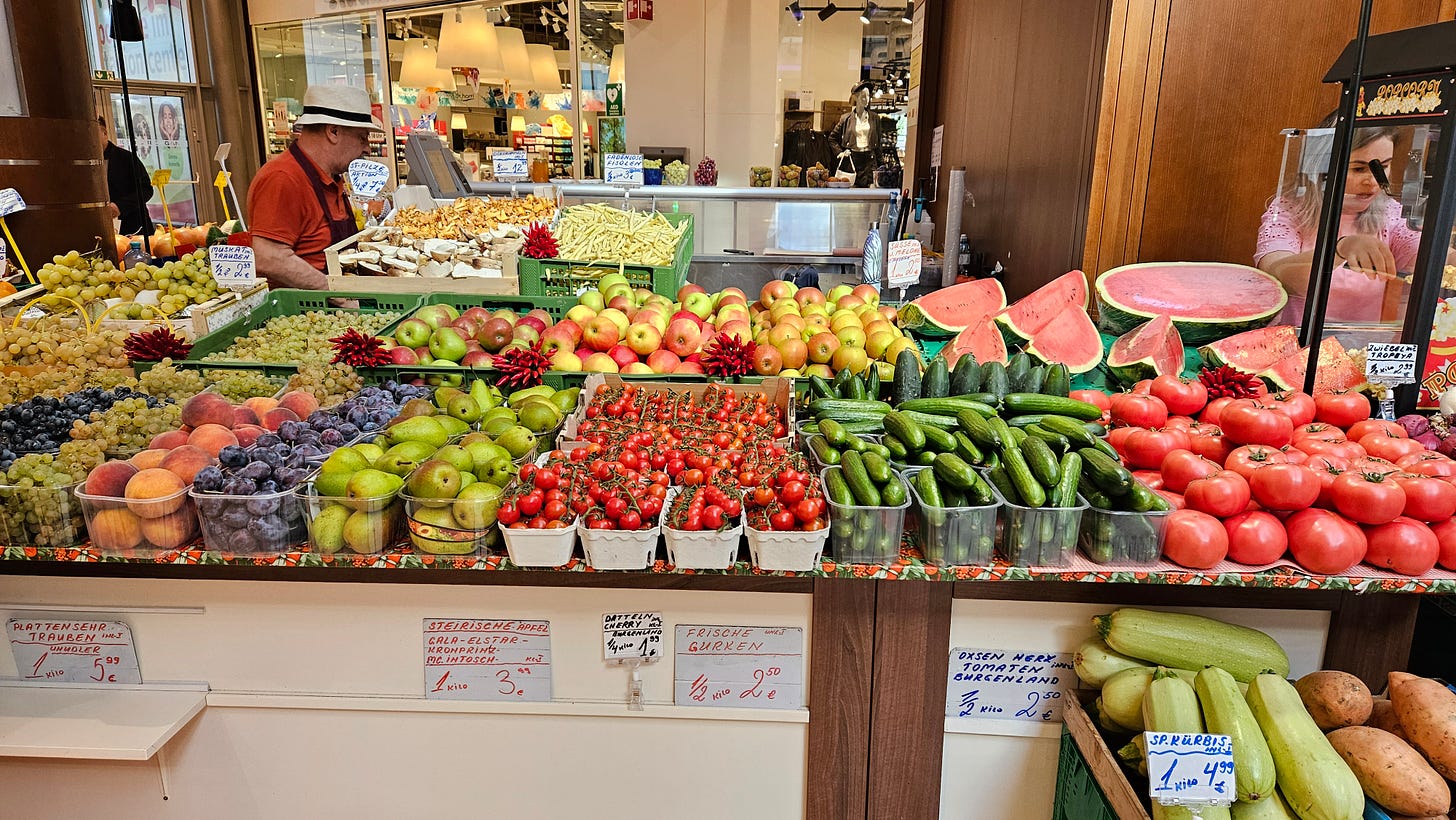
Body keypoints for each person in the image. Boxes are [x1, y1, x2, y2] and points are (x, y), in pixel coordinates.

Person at [1255, 119, 1418, 324]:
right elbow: (1275, 272)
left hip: (1361, 350)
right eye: (1358, 169)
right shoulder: (1289, 210)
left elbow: (1430, 256)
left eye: (1383, 167)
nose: (1373, 181)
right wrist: (1340, 249)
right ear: (1322, 168)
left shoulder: (1390, 213)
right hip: (1296, 344)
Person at [246, 85, 381, 290]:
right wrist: (337, 295)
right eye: (362, 137)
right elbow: (269, 256)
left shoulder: (330, 176)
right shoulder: (283, 178)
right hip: (308, 311)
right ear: (333, 132)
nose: (367, 148)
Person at [98, 115, 154, 235]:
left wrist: (119, 206)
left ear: (105, 133)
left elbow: (146, 190)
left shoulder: (126, 158)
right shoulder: (83, 164)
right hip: (101, 229)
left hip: (134, 228)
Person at [828, 82, 882, 188]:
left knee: (871, 192)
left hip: (870, 161)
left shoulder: (875, 118)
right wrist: (840, 153)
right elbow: (832, 138)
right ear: (856, 98)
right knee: (852, 190)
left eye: (868, 96)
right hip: (853, 159)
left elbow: (878, 143)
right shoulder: (846, 119)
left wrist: (882, 164)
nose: (867, 99)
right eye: (863, 97)